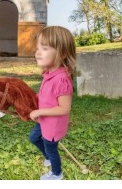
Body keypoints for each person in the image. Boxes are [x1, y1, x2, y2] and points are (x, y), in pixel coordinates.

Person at [29, 26, 76, 180]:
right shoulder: (49, 74)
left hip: (52, 125)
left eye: (44, 48)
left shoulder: (61, 80)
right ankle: (47, 157)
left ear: (61, 53)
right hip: (44, 121)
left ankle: (57, 173)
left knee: (52, 150)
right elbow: (48, 95)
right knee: (34, 138)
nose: (38, 52)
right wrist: (37, 98)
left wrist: (40, 111)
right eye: (37, 48)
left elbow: (64, 108)